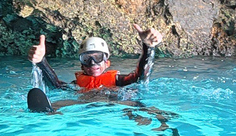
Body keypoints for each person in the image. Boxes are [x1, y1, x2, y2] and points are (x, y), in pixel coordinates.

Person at [28, 24, 163, 91]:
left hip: (117, 110)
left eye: (98, 57)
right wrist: (41, 61)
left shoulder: (118, 81)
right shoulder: (77, 86)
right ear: (81, 65)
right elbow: (55, 85)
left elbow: (141, 78)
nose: (92, 63)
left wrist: (148, 48)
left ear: (107, 63)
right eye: (86, 59)